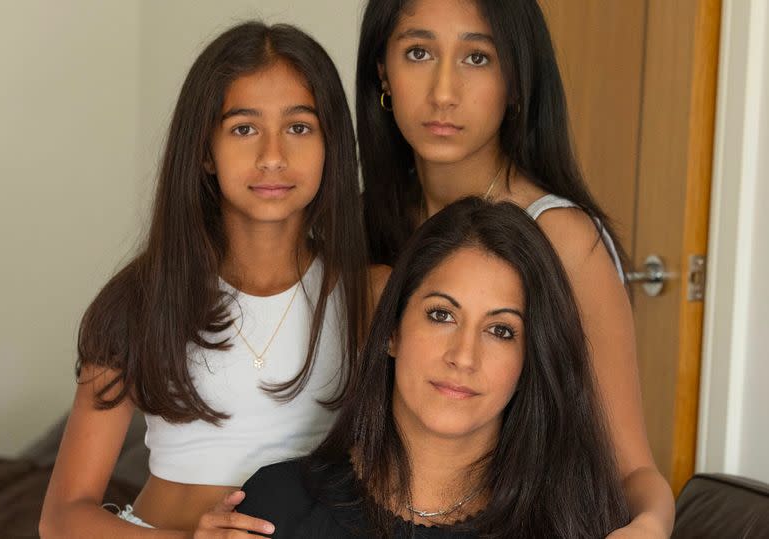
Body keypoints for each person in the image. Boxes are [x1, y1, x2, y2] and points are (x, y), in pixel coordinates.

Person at [40, 22, 387, 537]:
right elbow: (62, 517)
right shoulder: (140, 300)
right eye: (244, 128)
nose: (273, 156)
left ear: (330, 144)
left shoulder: (371, 294)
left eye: (299, 127)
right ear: (206, 151)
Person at [356, 0, 674, 535]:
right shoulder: (360, 224)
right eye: (418, 51)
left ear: (517, 79)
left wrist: (652, 524)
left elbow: (632, 468)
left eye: (477, 58)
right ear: (383, 72)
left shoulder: (562, 237)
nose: (443, 92)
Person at [233, 198, 630, 538]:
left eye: (500, 330)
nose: (463, 356)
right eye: (441, 315)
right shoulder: (273, 509)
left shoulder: (576, 524)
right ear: (392, 330)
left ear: (531, 359)